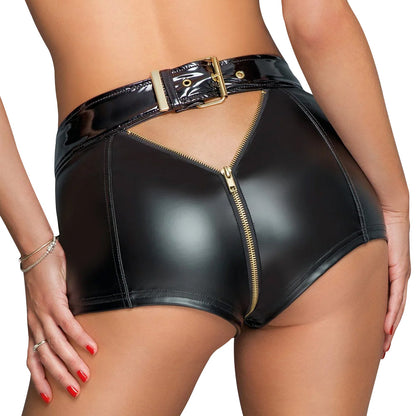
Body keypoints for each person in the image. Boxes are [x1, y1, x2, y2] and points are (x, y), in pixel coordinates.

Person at [0, 0, 410, 414]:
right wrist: (395, 203)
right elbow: (317, 23)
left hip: (137, 201)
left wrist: (37, 252)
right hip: (302, 175)